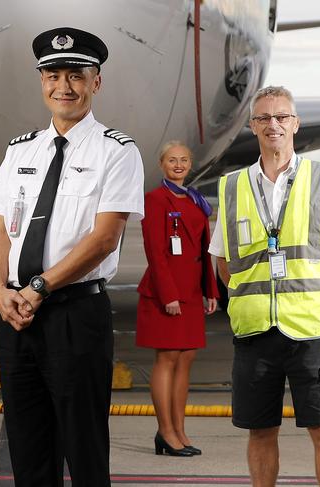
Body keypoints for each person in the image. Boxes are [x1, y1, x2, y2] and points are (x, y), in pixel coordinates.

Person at [0, 27, 144, 486]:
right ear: (41, 82)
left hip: (75, 315)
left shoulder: (118, 152)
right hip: (16, 319)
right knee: (28, 452)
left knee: (84, 449)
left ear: (97, 83)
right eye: (53, 75)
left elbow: (104, 238)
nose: (64, 86)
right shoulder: (20, 150)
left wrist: (39, 287)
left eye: (76, 75)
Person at [209, 86, 320, 487]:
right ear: (252, 126)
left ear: (295, 124)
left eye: (281, 117)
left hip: (310, 331)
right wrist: (248, 299)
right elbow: (222, 260)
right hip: (255, 332)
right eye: (263, 118)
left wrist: (319, 300)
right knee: (260, 431)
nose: (273, 124)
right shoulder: (233, 186)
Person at [136, 141, 218, 457]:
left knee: (187, 359)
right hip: (165, 292)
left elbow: (202, 250)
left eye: (184, 160)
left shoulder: (195, 200)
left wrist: (210, 290)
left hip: (193, 292)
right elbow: (155, 253)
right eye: (173, 160)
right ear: (162, 164)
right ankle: (165, 432)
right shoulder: (155, 200)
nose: (179, 165)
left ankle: (179, 431)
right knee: (167, 357)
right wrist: (168, 295)